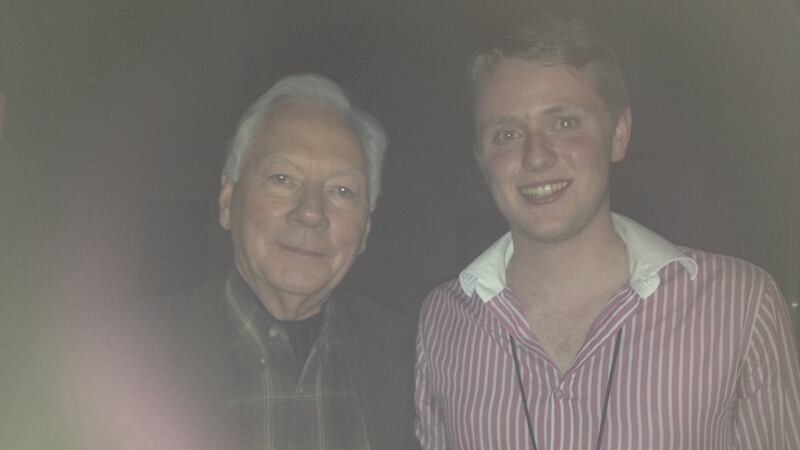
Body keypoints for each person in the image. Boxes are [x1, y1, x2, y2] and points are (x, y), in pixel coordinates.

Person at [415, 14, 800, 450]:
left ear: (618, 133)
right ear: (481, 159)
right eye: (505, 133)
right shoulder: (441, 320)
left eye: (563, 123)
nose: (535, 156)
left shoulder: (741, 305)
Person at [3, 74, 419, 450]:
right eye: (282, 178)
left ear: (365, 229)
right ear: (227, 201)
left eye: (342, 191)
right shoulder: (92, 366)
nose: (311, 212)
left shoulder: (421, 359)